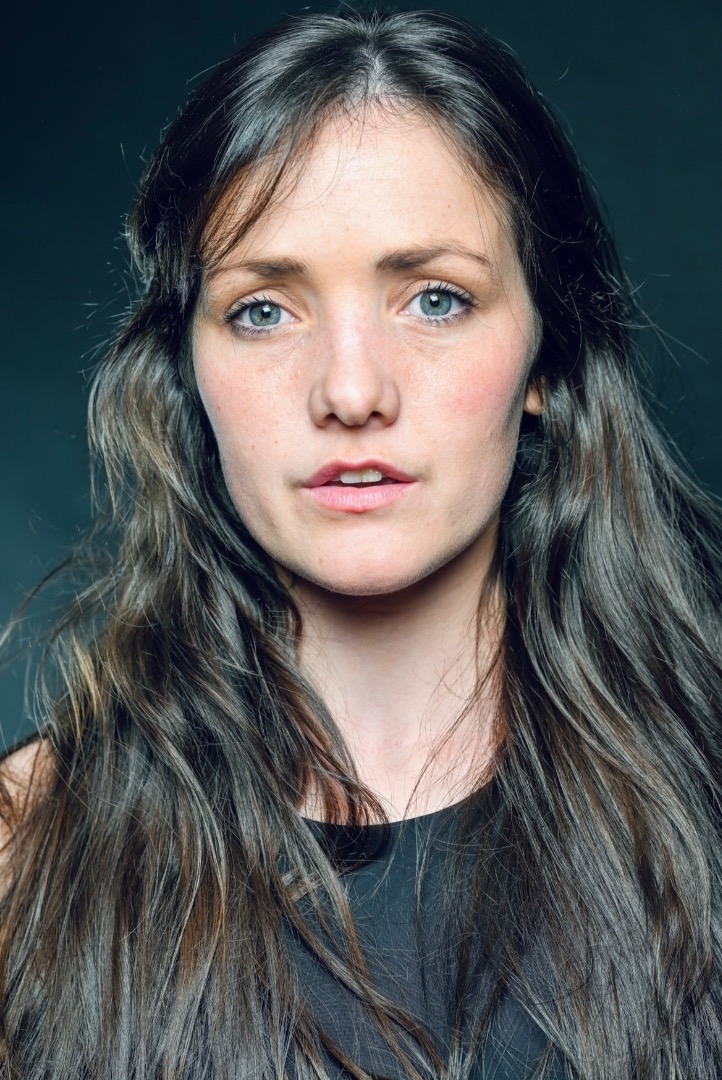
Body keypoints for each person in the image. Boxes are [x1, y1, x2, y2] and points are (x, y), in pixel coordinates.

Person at [1, 8, 721, 1078]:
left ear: (544, 360)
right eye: (263, 310)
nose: (349, 390)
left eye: (435, 299)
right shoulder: (28, 847)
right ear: (187, 370)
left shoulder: (702, 808)